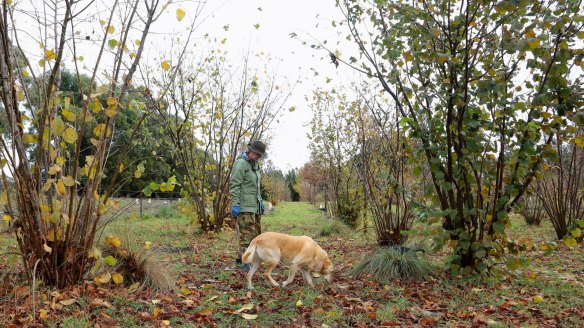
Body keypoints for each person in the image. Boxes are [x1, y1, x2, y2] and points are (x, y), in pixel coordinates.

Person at [229, 140, 266, 271]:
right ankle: (246, 263)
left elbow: (256, 186)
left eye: (259, 155)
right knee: (247, 236)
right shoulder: (241, 163)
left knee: (256, 235)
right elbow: (235, 185)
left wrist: (260, 201)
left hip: (254, 207)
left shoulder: (255, 166)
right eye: (256, 154)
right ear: (250, 150)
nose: (257, 157)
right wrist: (235, 204)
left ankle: (241, 259)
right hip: (244, 207)